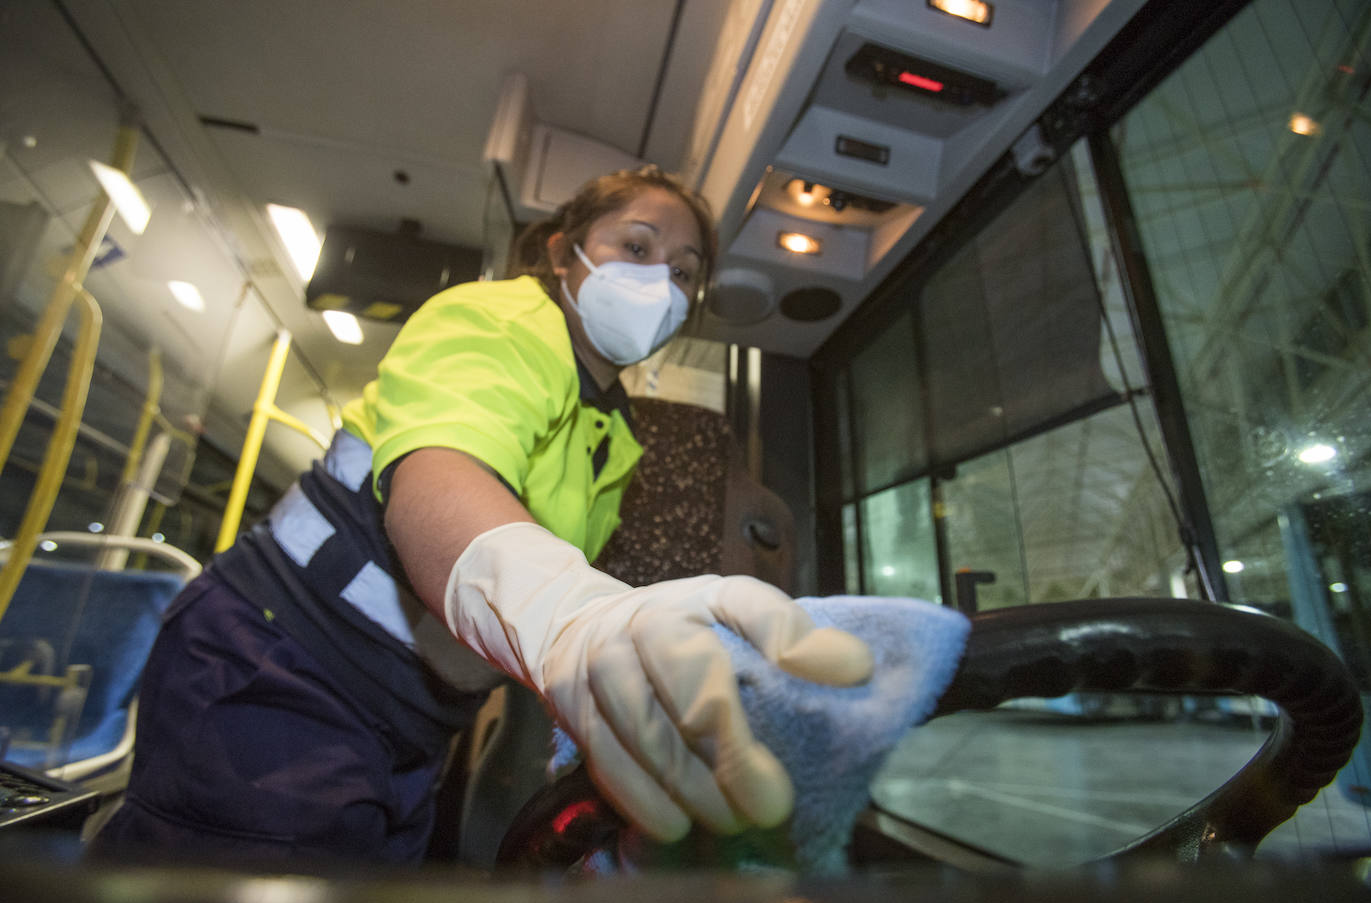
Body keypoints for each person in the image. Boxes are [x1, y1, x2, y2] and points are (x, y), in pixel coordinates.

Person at [91, 165, 873, 863]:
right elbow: (443, 473)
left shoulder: (617, 435)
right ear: (564, 253)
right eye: (636, 248)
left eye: (683, 271)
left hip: (411, 719)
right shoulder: (499, 323)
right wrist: (569, 618)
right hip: (282, 663)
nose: (660, 282)